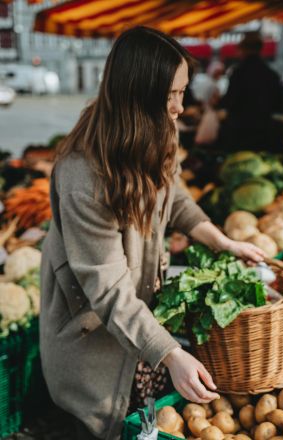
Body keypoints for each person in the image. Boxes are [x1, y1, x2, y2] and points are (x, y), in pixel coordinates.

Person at [40, 26, 265, 440]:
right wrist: (169, 353)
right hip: (93, 336)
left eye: (183, 92)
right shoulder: (83, 174)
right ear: (138, 96)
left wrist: (220, 240)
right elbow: (107, 290)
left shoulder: (158, 129)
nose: (181, 107)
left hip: (138, 320)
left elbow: (172, 195)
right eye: (172, 95)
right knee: (103, 424)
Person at [219, 31, 283, 152]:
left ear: (243, 49)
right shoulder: (271, 75)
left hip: (238, 131)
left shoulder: (238, 73)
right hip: (263, 131)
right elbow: (278, 104)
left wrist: (217, 103)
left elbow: (229, 101)